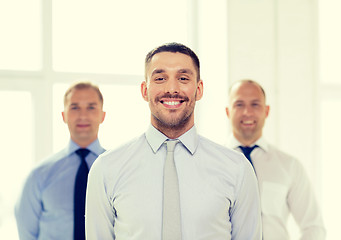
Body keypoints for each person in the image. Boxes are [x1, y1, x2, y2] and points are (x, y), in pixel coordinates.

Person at [85, 42, 262, 240]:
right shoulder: (107, 169)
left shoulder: (237, 169)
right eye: (160, 78)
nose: (171, 88)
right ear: (145, 90)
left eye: (183, 78)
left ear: (199, 89)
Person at [225, 79, 326, 240]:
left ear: (266, 111)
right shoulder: (213, 164)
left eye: (255, 104)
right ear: (228, 112)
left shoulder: (289, 166)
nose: (247, 112)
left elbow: (313, 226)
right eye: (239, 104)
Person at [15, 81, 106, 240]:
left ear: (102, 115)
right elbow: (26, 233)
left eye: (91, 107)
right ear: (63, 115)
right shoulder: (39, 176)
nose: (83, 115)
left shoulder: (117, 170)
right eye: (74, 107)